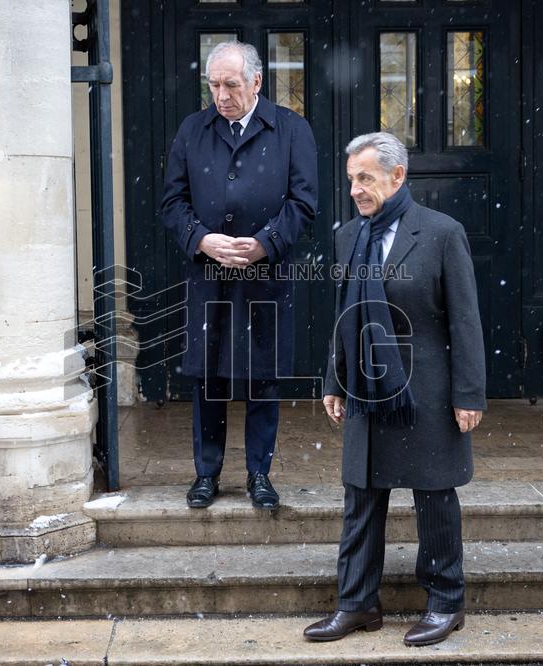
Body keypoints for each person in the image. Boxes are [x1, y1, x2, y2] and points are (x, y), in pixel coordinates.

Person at [303, 132, 485, 646]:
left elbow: (465, 321)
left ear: (397, 176)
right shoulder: (347, 237)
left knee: (434, 497)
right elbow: (345, 316)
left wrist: (469, 393)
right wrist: (335, 380)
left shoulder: (441, 233)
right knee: (361, 497)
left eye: (366, 178)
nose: (356, 189)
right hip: (366, 387)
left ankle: (446, 603)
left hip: (426, 388)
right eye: (352, 180)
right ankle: (357, 604)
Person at [160, 41, 318, 510]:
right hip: (208, 275)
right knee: (208, 376)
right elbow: (172, 203)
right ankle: (206, 474)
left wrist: (264, 243)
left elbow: (304, 202)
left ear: (256, 81)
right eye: (214, 85)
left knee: (262, 378)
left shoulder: (291, 129)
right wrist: (202, 239)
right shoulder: (193, 129)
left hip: (265, 275)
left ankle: (259, 475)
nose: (221, 94)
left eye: (231, 84)